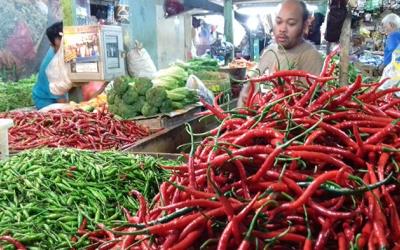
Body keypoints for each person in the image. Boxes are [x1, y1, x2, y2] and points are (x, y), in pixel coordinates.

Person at [238, 0, 323, 106]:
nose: (282, 29)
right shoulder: (270, 51)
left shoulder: (310, 56)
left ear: (304, 25)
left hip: (286, 120)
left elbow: (305, 105)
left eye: (291, 23)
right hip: (262, 118)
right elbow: (249, 89)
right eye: (278, 22)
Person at [32, 22, 67, 109]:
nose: (64, 49)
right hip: (47, 101)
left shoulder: (64, 51)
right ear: (53, 46)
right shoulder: (53, 64)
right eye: (60, 47)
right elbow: (61, 99)